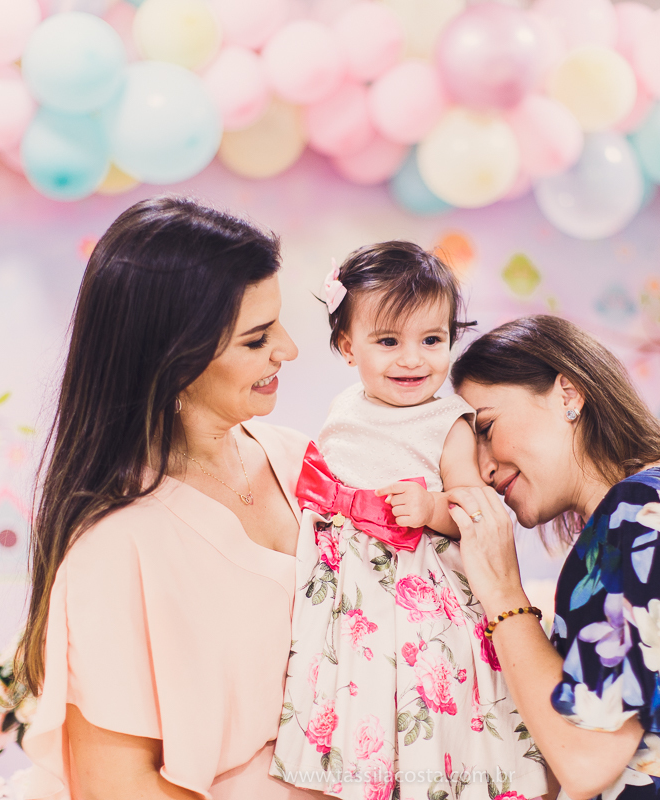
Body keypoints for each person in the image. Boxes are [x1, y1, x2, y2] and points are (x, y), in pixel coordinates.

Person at [15, 196, 324, 800]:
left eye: (278, 325)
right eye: (256, 338)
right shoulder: (117, 547)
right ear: (175, 359)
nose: (287, 349)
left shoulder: (306, 462)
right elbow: (118, 789)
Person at [445, 315, 660, 800]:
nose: (484, 468)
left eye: (487, 428)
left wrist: (502, 590)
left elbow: (584, 761)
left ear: (568, 395)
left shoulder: (640, 516)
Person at [271, 243, 548, 800]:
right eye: (389, 341)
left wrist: (431, 508)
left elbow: (474, 505)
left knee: (423, 685)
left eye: (431, 340)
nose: (412, 360)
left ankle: (433, 774)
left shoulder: (448, 422)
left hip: (417, 583)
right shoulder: (345, 407)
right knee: (352, 684)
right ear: (349, 348)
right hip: (349, 583)